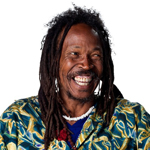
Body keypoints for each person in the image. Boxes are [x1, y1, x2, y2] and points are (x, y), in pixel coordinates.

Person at [0, 5, 150, 150]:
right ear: (54, 61)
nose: (86, 64)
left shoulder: (133, 118)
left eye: (95, 55)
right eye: (74, 54)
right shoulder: (17, 119)